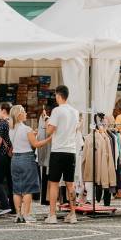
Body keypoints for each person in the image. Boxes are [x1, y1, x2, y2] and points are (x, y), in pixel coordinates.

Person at [44, 85, 82, 224]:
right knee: (70, 184)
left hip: (58, 150)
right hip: (71, 151)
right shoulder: (75, 112)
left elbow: (49, 131)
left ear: (58, 95)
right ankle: (73, 214)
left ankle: (52, 215)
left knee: (53, 183)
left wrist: (47, 122)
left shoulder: (57, 111)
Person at [8, 105, 47, 223]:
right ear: (19, 115)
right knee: (27, 189)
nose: (26, 114)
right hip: (27, 158)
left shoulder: (12, 129)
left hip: (15, 159)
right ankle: (27, 214)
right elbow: (36, 144)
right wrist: (49, 139)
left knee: (17, 189)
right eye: (24, 112)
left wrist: (32, 134)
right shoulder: (26, 129)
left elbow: (22, 141)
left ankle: (18, 214)